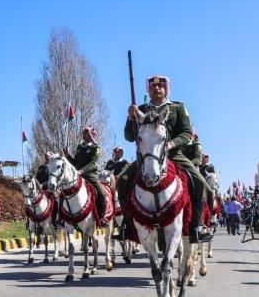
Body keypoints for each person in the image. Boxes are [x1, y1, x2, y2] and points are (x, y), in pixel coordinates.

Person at [124, 74, 211, 243]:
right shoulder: (141, 109)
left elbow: (187, 133)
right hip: (147, 158)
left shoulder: (178, 108)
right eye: (153, 86)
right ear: (148, 90)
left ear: (167, 89)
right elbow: (129, 136)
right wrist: (130, 117)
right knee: (123, 181)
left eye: (161, 86)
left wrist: (171, 144)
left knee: (200, 183)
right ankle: (127, 226)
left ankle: (197, 226)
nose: (157, 89)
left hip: (174, 155)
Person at [67, 125, 107, 221]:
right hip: (78, 174)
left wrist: (82, 170)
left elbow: (93, 163)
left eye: (85, 132)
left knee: (102, 194)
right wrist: (68, 156)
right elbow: (75, 163)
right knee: (64, 192)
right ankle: (63, 219)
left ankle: (101, 217)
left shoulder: (95, 147)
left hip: (90, 175)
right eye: (83, 133)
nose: (83, 134)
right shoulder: (79, 147)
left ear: (91, 134)